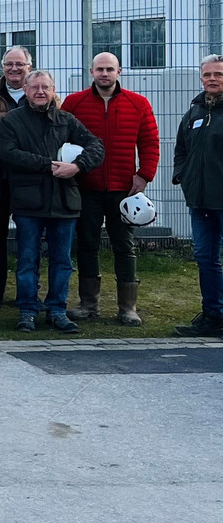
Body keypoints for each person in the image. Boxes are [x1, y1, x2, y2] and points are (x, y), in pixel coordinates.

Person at [0, 70, 104, 333]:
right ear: (25, 89)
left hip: (64, 201)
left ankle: (57, 310)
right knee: (27, 260)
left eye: (45, 87)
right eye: (35, 87)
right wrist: (49, 165)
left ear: (53, 90)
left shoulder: (66, 120)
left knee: (62, 261)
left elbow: (97, 146)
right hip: (28, 203)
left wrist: (76, 166)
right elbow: (9, 154)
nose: (40, 92)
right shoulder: (12, 121)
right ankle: (27, 310)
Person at [61, 52, 159, 325]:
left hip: (123, 190)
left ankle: (128, 308)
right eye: (100, 69)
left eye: (110, 69)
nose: (104, 74)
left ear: (119, 71)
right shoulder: (74, 103)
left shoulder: (138, 104)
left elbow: (150, 142)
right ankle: (88, 304)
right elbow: (60, 138)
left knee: (124, 246)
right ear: (91, 72)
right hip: (86, 187)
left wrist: (144, 176)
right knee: (87, 245)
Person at [0, 46, 34, 304]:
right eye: (9, 64)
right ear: (2, 67)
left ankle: (28, 292)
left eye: (19, 64)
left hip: (31, 180)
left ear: (29, 67)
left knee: (29, 238)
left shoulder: (40, 93)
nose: (14, 69)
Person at [173, 54, 223, 336]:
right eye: (207, 75)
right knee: (205, 258)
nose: (212, 79)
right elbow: (181, 149)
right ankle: (213, 316)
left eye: (218, 74)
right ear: (201, 78)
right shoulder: (195, 112)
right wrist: (184, 177)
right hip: (200, 202)